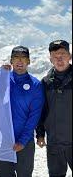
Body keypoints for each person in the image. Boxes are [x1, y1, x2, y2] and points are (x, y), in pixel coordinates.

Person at [0, 46, 45, 177]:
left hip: (25, 142)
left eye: (23, 58)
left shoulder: (35, 85)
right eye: (16, 58)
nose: (20, 61)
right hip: (5, 140)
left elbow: (34, 116)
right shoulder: (3, 80)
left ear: (29, 61)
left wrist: (23, 141)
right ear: (11, 61)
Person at [36, 40, 72, 177]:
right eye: (55, 56)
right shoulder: (45, 83)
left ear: (70, 56)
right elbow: (41, 111)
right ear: (50, 59)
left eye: (63, 54)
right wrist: (40, 134)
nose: (59, 59)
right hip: (54, 143)